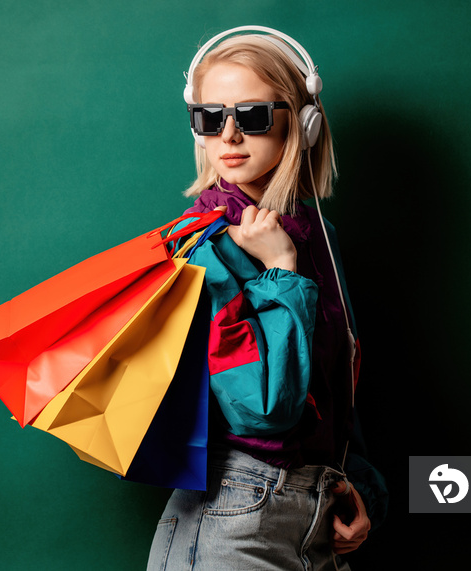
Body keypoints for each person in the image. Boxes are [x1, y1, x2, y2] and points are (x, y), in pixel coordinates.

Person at [147, 27, 387, 571]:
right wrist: (280, 271)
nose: (228, 135)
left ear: (302, 124)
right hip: (232, 521)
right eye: (210, 118)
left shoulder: (317, 236)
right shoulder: (199, 246)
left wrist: (358, 487)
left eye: (251, 115)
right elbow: (263, 410)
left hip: (317, 517)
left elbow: (335, 386)